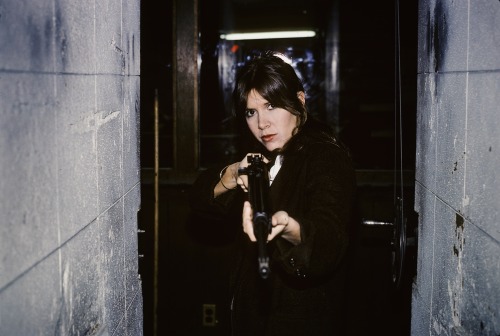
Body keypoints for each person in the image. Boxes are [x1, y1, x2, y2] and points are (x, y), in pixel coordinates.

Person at [189, 51, 356, 335]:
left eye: (271, 106)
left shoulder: (325, 156)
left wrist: (290, 229)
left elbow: (330, 237)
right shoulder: (268, 156)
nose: (261, 123)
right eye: (251, 112)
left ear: (299, 102)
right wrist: (232, 175)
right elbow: (199, 203)